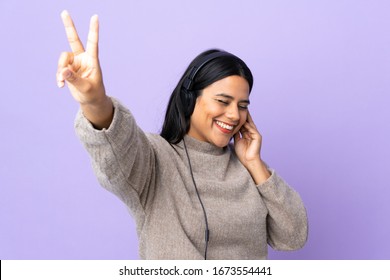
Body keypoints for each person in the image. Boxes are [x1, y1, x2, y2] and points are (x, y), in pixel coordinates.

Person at [56, 10, 308, 260]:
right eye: (223, 101)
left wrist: (255, 164)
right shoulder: (155, 160)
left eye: (242, 106)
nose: (234, 115)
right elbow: (116, 149)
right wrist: (95, 101)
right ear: (189, 99)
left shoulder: (248, 169)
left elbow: (293, 236)